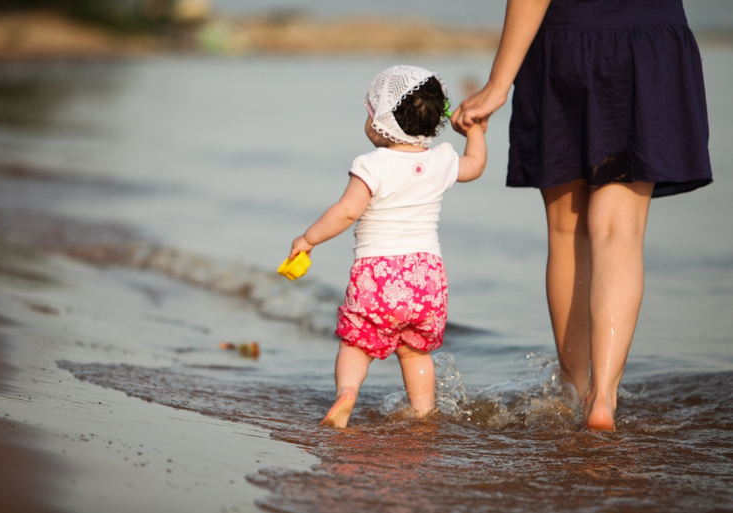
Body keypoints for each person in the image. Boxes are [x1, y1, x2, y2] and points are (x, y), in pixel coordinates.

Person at [451, 0, 713, 431]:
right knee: (619, 231)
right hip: (649, 41)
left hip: (566, 40)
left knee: (567, 231)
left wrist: (498, 83)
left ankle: (573, 390)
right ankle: (602, 398)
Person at [288, 64, 487, 428]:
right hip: (427, 278)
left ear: (382, 121)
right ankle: (423, 413)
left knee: (355, 344)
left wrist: (308, 239)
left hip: (378, 275)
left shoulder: (372, 165)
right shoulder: (441, 160)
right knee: (414, 352)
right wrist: (474, 131)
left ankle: (347, 393)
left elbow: (346, 212)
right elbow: (474, 165)